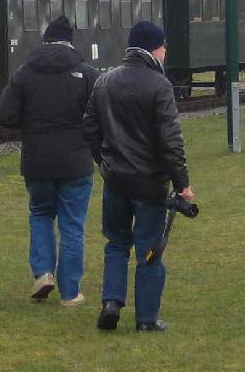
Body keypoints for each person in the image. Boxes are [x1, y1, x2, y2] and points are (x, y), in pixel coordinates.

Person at [82, 19, 193, 332]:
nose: (166, 51)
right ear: (154, 48)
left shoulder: (105, 80)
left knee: (116, 242)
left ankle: (111, 302)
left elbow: (89, 126)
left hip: (115, 178)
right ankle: (146, 318)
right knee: (149, 249)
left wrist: (103, 162)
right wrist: (183, 184)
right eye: (163, 46)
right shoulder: (160, 86)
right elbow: (171, 142)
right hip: (149, 183)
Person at [0, 15, 100, 306]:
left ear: (45, 40)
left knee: (40, 215)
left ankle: (42, 273)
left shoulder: (24, 74)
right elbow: (99, 115)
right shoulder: (86, 73)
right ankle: (70, 292)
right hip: (75, 162)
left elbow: (5, 115)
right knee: (72, 225)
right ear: (69, 40)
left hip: (37, 161)